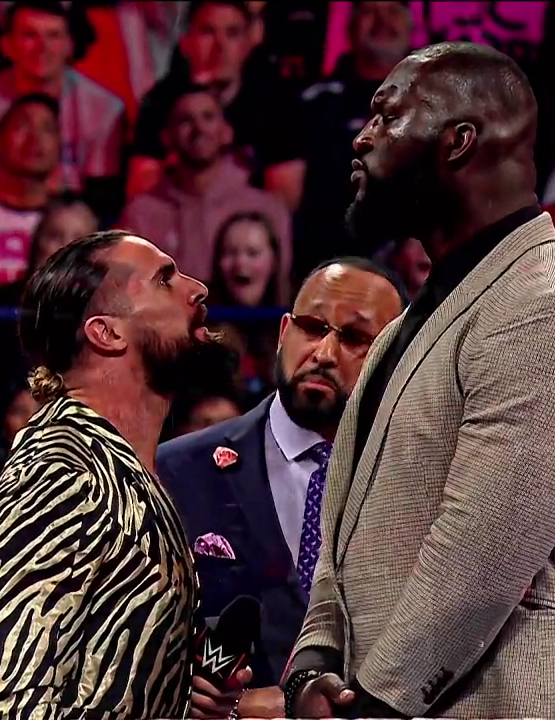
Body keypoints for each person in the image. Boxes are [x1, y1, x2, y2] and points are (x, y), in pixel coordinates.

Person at [282, 42, 555, 718]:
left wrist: (374, 705)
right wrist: (316, 659)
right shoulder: (408, 325)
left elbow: (481, 557)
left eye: (387, 116)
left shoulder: (552, 307)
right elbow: (349, 531)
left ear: (458, 141)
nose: (362, 139)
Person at [0, 230, 245, 718]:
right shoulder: (60, 470)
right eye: (164, 280)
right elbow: (9, 697)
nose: (198, 289)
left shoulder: (128, 470)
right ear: (106, 333)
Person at [158, 257, 405, 718]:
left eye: (354, 338)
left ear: (395, 360)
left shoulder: (417, 481)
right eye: (312, 328)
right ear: (283, 331)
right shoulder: (176, 471)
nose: (324, 353)